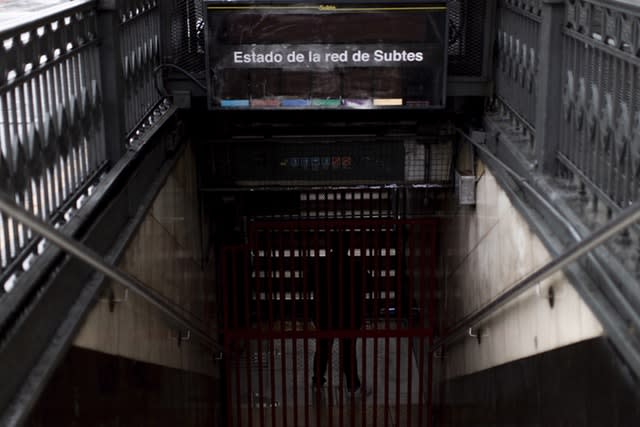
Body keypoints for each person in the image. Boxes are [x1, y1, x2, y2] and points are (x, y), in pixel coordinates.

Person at [312, 234, 371, 396]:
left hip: (326, 315)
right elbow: (368, 284)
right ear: (347, 247)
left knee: (323, 348)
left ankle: (317, 379)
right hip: (348, 316)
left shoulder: (322, 265)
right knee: (348, 351)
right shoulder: (355, 266)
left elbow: (312, 286)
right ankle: (352, 383)